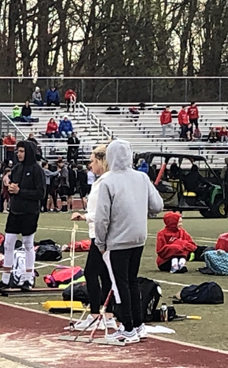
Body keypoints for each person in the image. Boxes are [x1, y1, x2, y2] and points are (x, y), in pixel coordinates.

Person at [94, 139, 164, 343]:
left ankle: (127, 327)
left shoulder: (108, 182)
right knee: (132, 281)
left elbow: (102, 217)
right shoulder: (141, 177)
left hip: (118, 240)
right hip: (138, 237)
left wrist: (100, 242)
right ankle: (138, 324)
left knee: (120, 284)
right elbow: (157, 205)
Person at [0, 140, 45, 293]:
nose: (19, 154)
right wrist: (11, 189)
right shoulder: (16, 169)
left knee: (28, 244)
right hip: (15, 211)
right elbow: (14, 189)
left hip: (30, 212)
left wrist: (20, 191)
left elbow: (40, 193)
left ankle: (28, 278)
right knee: (8, 243)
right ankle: (5, 279)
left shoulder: (37, 170)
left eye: (22, 151)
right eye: (18, 151)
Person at [69, 145, 115, 331]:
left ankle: (96, 314)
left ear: (101, 161)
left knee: (91, 272)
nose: (90, 165)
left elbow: (104, 212)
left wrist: (84, 217)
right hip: (101, 233)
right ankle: (108, 315)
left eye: (93, 161)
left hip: (102, 234)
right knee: (104, 273)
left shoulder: (105, 182)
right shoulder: (103, 181)